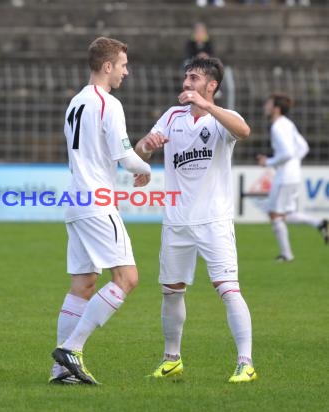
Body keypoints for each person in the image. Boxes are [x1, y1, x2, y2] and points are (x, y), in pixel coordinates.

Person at [135, 57, 256, 383]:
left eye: (193, 78)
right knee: (171, 291)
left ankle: (246, 362)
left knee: (228, 290)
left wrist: (206, 106)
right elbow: (140, 149)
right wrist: (147, 147)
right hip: (176, 221)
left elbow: (243, 131)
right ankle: (171, 358)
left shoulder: (222, 120)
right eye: (186, 77)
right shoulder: (172, 116)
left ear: (211, 85)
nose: (186, 82)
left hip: (213, 221)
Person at [50, 37, 152, 385]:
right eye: (123, 64)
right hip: (96, 202)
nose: (126, 70)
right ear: (107, 66)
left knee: (83, 283)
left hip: (75, 200)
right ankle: (72, 349)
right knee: (128, 279)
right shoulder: (109, 103)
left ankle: (61, 370)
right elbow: (124, 157)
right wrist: (148, 168)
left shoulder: (76, 102)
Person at [257, 92, 328, 261]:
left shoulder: (277, 126)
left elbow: (287, 152)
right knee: (286, 213)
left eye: (268, 104)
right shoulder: (288, 124)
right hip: (293, 174)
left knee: (275, 215)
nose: (265, 107)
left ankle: (286, 255)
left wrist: (268, 161)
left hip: (285, 177)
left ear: (276, 108)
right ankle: (319, 223)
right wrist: (293, 163)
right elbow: (303, 147)